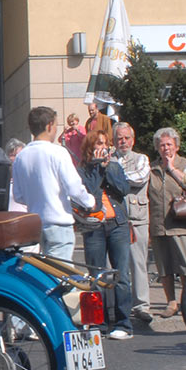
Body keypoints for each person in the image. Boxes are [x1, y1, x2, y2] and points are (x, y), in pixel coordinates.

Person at [11, 106, 94, 260]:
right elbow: (74, 188)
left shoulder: (21, 157)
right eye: (56, 126)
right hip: (59, 222)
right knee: (62, 275)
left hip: (35, 224)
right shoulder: (58, 152)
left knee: (45, 274)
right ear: (49, 126)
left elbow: (18, 196)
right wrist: (90, 202)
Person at [77, 127, 136, 339]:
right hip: (94, 226)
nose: (102, 147)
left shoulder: (114, 165)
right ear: (90, 147)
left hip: (117, 224)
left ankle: (124, 324)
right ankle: (96, 323)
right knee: (95, 275)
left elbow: (123, 189)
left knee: (121, 274)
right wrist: (97, 168)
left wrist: (108, 167)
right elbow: (89, 193)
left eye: (104, 143)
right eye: (97, 144)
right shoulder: (82, 170)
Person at [147, 127, 186, 318]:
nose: (166, 148)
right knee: (164, 267)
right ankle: (171, 302)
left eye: (169, 144)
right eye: (162, 145)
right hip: (159, 225)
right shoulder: (152, 168)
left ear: (176, 146)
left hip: (182, 225)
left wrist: (171, 168)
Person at [113, 121, 153, 326]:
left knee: (138, 263)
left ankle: (142, 306)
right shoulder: (109, 158)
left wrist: (114, 176)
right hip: (115, 220)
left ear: (133, 139)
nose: (123, 141)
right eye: (119, 138)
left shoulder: (142, 159)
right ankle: (117, 306)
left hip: (137, 218)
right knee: (116, 266)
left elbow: (140, 177)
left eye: (127, 138)